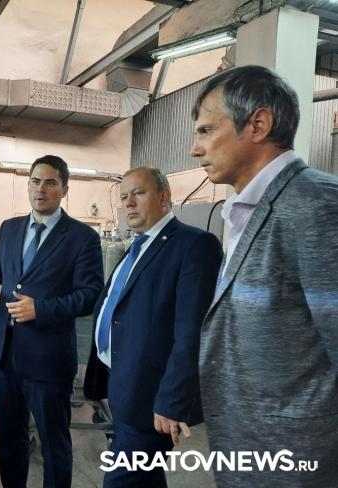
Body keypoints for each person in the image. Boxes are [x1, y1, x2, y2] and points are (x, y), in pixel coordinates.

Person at [191, 65, 338, 487]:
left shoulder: (314, 206)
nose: (195, 149)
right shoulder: (248, 210)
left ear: (257, 124)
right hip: (251, 450)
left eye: (206, 130)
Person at [0, 155, 103, 488]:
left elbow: (90, 294)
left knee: (54, 445)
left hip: (48, 358)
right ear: (28, 185)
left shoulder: (82, 237)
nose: (41, 189)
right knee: (10, 440)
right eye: (35, 181)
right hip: (5, 355)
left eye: (51, 182)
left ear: (64, 189)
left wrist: (43, 309)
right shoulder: (10, 228)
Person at [83, 167, 223, 488]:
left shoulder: (194, 245)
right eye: (124, 197)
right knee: (145, 478)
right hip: (122, 385)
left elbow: (193, 332)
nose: (129, 203)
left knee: (122, 480)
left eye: (139, 193)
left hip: (151, 397)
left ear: (164, 196)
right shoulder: (137, 247)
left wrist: (173, 399)